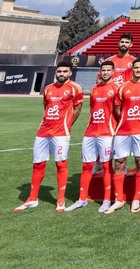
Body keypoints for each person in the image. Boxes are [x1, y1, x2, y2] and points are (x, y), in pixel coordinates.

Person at [14, 61, 83, 212]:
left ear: (70, 73)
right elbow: (46, 107)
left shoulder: (75, 88)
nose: (61, 74)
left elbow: (77, 108)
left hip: (61, 133)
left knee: (60, 164)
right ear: (55, 72)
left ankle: (60, 199)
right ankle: (32, 198)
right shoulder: (48, 89)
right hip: (43, 131)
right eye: (59, 71)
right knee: (38, 163)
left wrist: (67, 124)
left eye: (65, 71)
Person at [65, 60, 117, 212]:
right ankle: (82, 199)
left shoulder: (116, 88)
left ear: (113, 72)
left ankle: (107, 200)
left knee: (107, 166)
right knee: (86, 166)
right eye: (103, 70)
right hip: (90, 132)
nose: (106, 72)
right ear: (100, 72)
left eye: (108, 70)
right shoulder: (94, 89)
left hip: (107, 132)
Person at [105, 57, 140, 213]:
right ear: (132, 68)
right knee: (119, 163)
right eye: (136, 67)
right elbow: (117, 109)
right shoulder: (122, 87)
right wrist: (126, 120)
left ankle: (136, 199)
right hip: (123, 131)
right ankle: (119, 199)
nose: (138, 70)